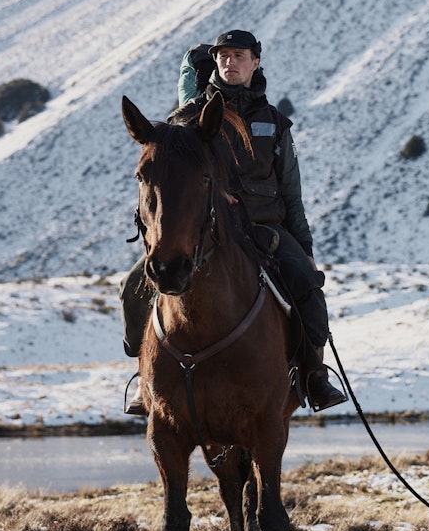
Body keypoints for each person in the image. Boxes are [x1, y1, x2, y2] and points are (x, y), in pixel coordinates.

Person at [120, 29, 347, 413]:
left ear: (255, 62)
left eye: (239, 56)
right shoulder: (187, 119)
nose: (230, 62)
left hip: (266, 229)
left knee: (307, 284)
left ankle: (313, 374)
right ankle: (146, 379)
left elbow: (291, 193)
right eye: (223, 56)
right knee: (132, 287)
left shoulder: (275, 124)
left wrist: (305, 249)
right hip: (207, 230)